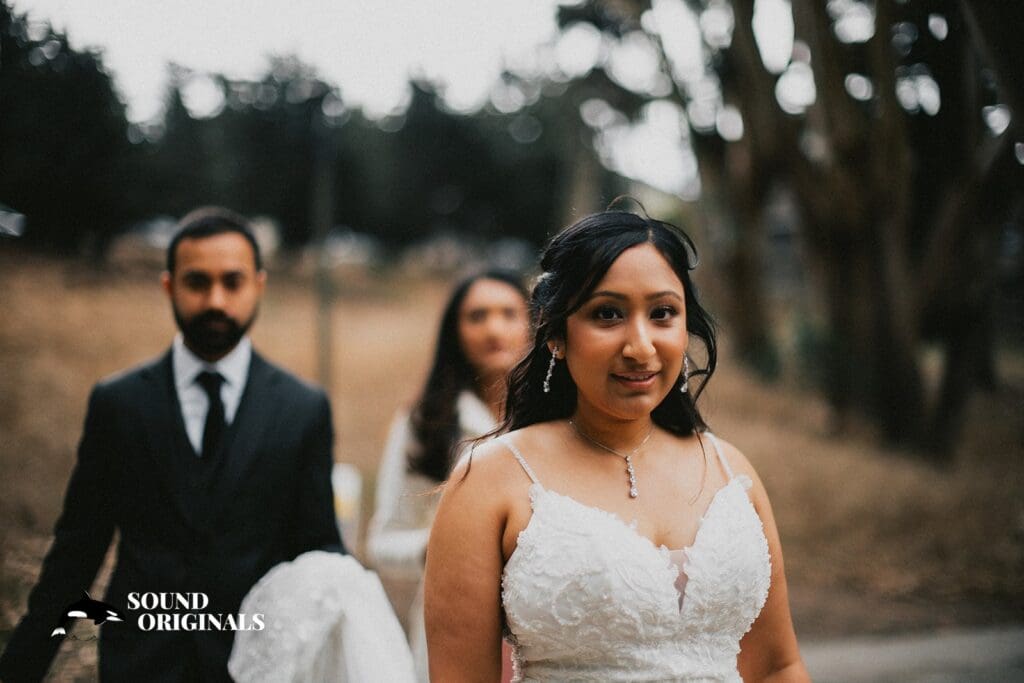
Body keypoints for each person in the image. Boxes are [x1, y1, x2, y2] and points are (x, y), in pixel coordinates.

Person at [424, 207, 809, 681]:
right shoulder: (488, 480)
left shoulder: (730, 471)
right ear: (556, 333)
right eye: (607, 314)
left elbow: (776, 666)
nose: (640, 347)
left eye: (662, 313)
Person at [0, 207, 344, 682]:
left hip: (252, 666)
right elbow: (76, 553)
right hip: (140, 666)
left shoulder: (303, 409)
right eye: (197, 282)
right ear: (169, 286)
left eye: (233, 282)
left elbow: (319, 550)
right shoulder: (119, 404)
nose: (215, 300)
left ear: (259, 285)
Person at [367, 269, 530, 682]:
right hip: (454, 629)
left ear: (532, 323)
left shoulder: (556, 422)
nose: (494, 329)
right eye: (477, 316)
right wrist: (440, 548)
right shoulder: (424, 424)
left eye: (508, 313)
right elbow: (382, 542)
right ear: (454, 331)